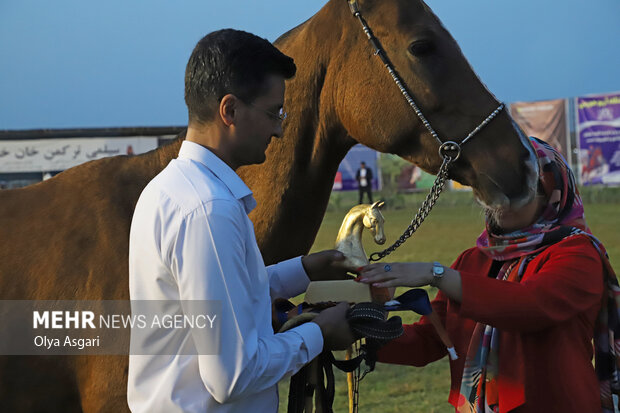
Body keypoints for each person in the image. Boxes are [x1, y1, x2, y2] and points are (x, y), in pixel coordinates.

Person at [127, 29, 354, 413]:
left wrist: (305, 269)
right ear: (229, 110)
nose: (279, 129)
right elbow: (233, 376)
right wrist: (319, 332)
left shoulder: (169, 188)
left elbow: (214, 299)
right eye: (272, 113)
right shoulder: (208, 210)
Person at [358, 138, 619, 412]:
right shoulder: (472, 260)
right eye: (491, 186)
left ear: (553, 193)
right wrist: (364, 329)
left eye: (518, 188)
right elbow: (430, 340)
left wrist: (436, 274)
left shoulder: (579, 253)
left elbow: (530, 306)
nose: (500, 198)